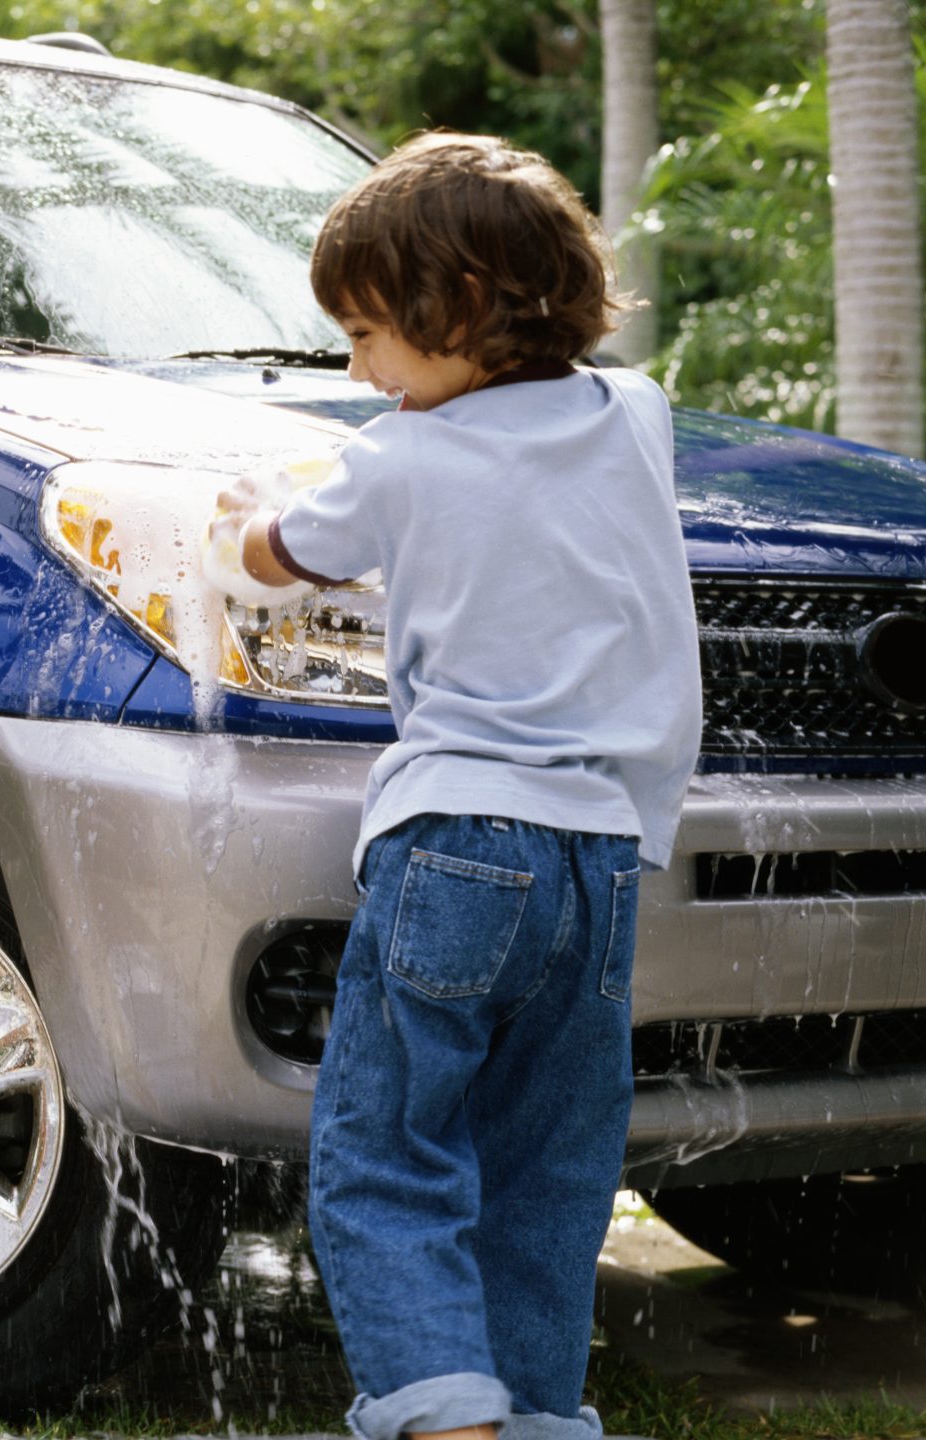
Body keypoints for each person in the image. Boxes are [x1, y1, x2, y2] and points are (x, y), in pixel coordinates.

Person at [212, 133, 702, 1440]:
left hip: (457, 851)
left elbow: (278, 551)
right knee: (550, 1177)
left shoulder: (399, 460)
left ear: (464, 311)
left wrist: (244, 511)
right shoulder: (635, 416)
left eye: (369, 334)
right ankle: (535, 1419)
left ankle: (444, 1421)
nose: (361, 368)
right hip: (602, 864)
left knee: (388, 1158)